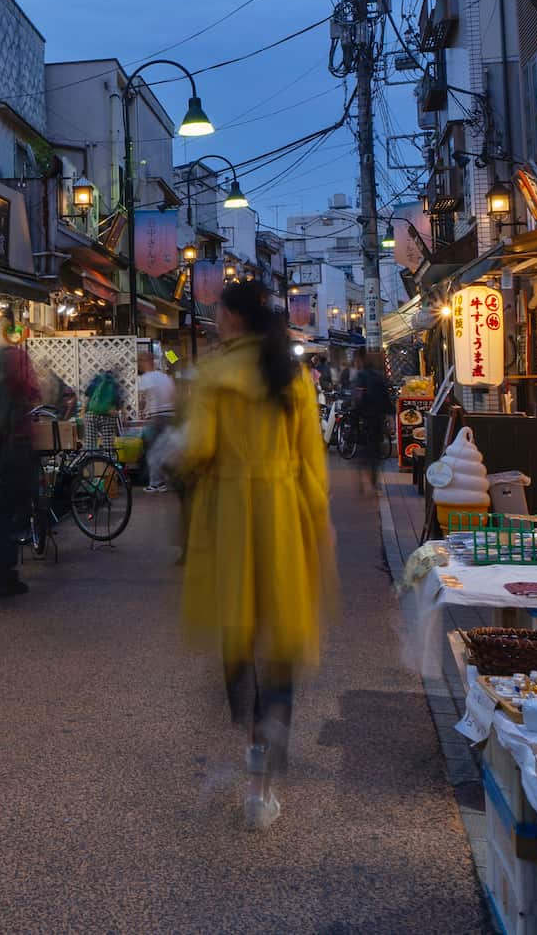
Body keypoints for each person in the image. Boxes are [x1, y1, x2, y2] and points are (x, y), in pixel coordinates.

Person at [178, 280, 335, 832]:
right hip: (283, 511)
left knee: (236, 624)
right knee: (283, 633)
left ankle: (249, 730)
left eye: (218, 309)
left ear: (232, 317)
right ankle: (267, 753)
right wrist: (318, 521)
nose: (215, 317)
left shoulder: (215, 375)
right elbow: (310, 457)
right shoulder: (289, 375)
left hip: (230, 517)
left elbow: (197, 449)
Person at [0, 344, 41, 600]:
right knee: (16, 512)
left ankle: (4, 572)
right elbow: (34, 391)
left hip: (0, 452)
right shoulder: (16, 372)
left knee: (5, 513)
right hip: (18, 450)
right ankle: (6, 575)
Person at [137, 347, 177, 494]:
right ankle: (164, 481)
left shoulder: (146, 378)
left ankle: (155, 483)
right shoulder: (165, 377)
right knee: (164, 449)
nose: (139, 365)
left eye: (140, 362)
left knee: (153, 451)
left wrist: (143, 412)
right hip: (171, 415)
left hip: (157, 417)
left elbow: (144, 399)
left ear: (145, 362)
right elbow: (174, 396)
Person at [352, 352, 393, 491]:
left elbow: (357, 396)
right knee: (376, 447)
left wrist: (355, 408)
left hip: (364, 416)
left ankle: (362, 477)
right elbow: (386, 398)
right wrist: (390, 416)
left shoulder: (360, 376)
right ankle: (374, 479)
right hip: (377, 417)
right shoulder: (378, 377)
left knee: (364, 446)